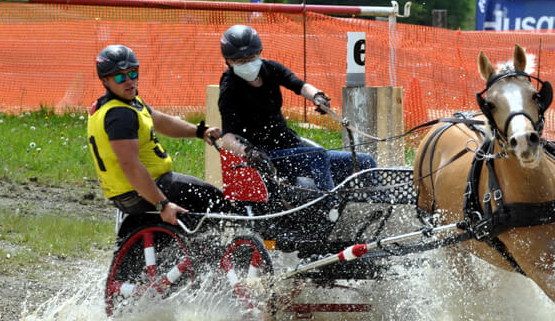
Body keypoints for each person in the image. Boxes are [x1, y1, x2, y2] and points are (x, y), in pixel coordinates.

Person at [215, 24, 376, 192]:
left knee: (365, 161)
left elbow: (299, 85)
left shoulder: (271, 69)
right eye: (241, 60)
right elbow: (227, 138)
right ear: (229, 61)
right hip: (267, 158)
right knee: (317, 156)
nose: (248, 63)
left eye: (251, 57)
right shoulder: (229, 89)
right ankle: (329, 203)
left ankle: (377, 202)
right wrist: (247, 152)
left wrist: (317, 96)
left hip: (292, 146)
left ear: (260, 52)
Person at [87, 44, 227, 225]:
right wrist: (163, 204)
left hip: (129, 190)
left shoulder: (124, 103)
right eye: (120, 77)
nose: (129, 81)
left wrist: (199, 131)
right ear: (105, 81)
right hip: (139, 190)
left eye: (133, 73)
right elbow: (130, 165)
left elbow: (163, 122)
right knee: (215, 199)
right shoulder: (120, 115)